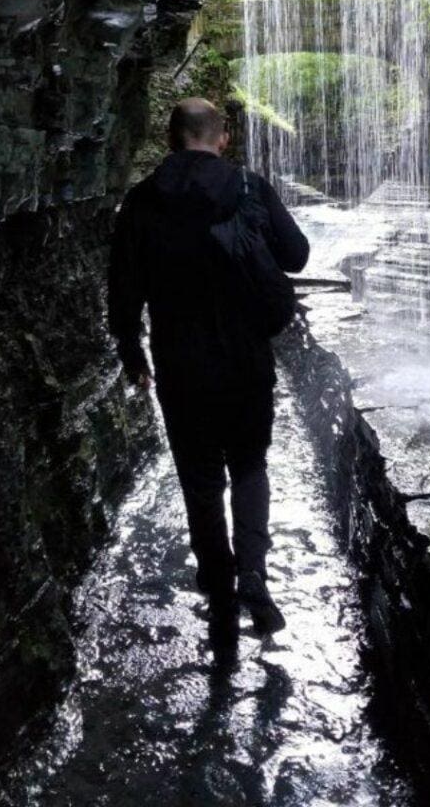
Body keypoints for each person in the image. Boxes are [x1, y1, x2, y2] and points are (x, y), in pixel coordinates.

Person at [108, 97, 310, 637]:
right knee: (249, 465)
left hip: (179, 365)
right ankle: (255, 578)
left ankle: (217, 577)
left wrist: (134, 355)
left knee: (199, 479)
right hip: (247, 360)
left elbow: (123, 292)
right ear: (221, 138)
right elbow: (296, 256)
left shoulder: (141, 202)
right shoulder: (248, 186)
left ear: (171, 139)